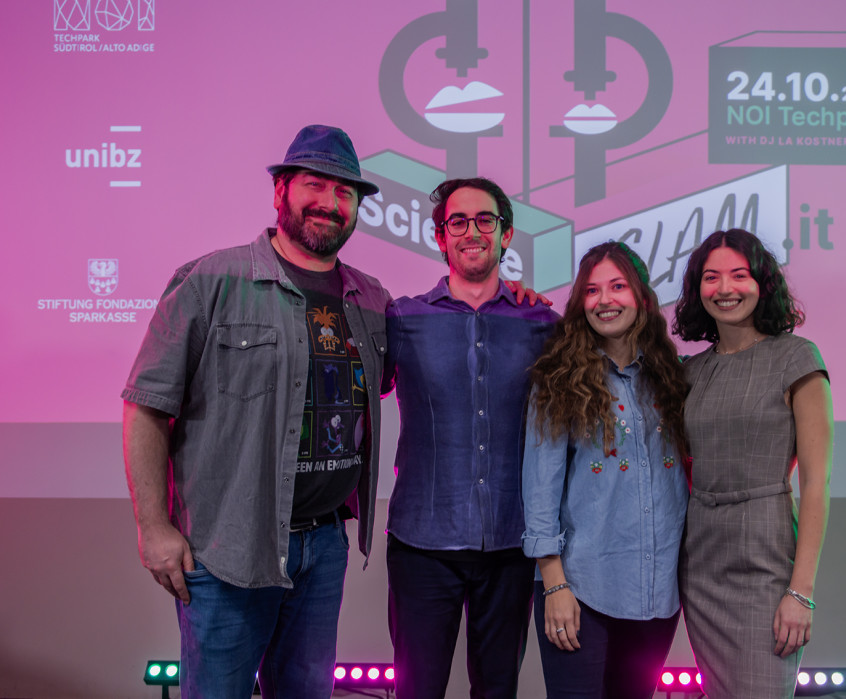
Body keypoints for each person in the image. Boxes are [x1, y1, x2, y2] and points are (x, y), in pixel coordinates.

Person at [121, 125, 389, 698]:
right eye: (315, 185)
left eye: (346, 194)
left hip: (323, 549)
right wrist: (152, 526)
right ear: (281, 192)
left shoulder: (371, 301)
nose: (331, 203)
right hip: (226, 551)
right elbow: (146, 408)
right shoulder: (209, 280)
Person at [383, 177, 560, 698]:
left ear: (506, 234)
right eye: (457, 221)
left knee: (497, 690)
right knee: (418, 690)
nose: (471, 231)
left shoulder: (543, 323)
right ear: (440, 237)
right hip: (422, 545)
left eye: (485, 220)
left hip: (511, 543)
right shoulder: (402, 318)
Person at [522, 241, 689, 699]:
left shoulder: (673, 376)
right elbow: (540, 491)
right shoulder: (556, 379)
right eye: (592, 290)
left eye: (618, 286)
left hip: (656, 593)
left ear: (642, 298)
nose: (605, 300)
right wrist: (554, 585)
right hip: (579, 589)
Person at [672, 229, 833, 698]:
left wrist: (800, 593)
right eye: (711, 277)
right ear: (697, 290)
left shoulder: (796, 358)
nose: (725, 289)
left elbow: (818, 484)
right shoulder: (691, 372)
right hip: (700, 562)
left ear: (762, 283)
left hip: (764, 558)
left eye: (739, 275)